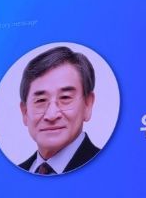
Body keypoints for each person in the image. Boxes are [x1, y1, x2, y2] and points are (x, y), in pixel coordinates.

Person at [19, 46, 100, 174]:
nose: (51, 115)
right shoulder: (9, 177)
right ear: (25, 112)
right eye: (41, 100)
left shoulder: (111, 167)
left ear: (87, 104)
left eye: (65, 97)